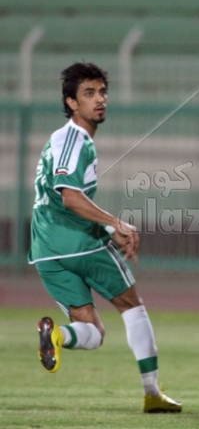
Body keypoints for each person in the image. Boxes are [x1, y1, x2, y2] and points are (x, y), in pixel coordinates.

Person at [30, 62, 183, 412]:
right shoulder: (75, 139)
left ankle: (58, 334)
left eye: (102, 92)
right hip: (78, 243)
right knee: (132, 306)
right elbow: (69, 197)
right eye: (89, 93)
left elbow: (59, 199)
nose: (100, 99)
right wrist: (115, 224)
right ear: (71, 103)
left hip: (45, 252)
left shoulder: (60, 141)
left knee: (92, 332)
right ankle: (152, 393)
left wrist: (109, 229)